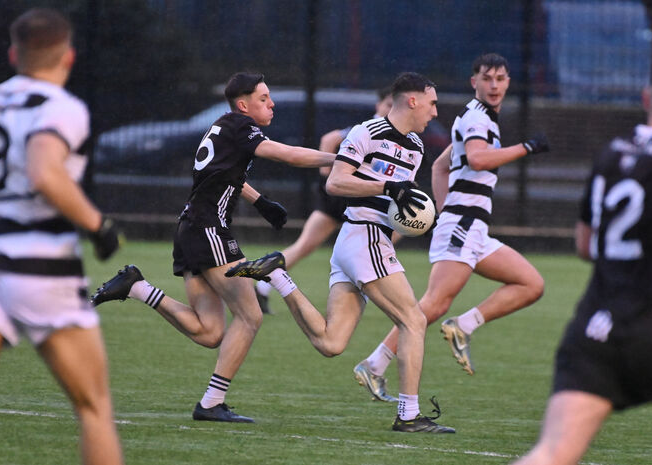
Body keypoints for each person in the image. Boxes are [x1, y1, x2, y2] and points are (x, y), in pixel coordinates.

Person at [512, 51, 652, 465]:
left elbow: (586, 245)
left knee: (551, 452)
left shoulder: (611, 156)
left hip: (594, 330)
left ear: (645, 97)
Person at [91, 72, 335, 423]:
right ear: (243, 104)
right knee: (250, 317)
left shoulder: (223, 127)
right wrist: (339, 160)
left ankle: (138, 288)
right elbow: (289, 155)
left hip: (192, 229)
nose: (272, 103)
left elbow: (223, 175)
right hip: (209, 230)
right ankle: (210, 404)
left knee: (210, 332)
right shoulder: (241, 126)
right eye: (264, 98)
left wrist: (260, 201)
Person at [228, 72, 455, 433]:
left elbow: (396, 205)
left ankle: (278, 277)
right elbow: (334, 182)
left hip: (365, 241)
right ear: (412, 100)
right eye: (432, 103)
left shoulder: (415, 146)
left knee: (332, 343)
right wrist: (387, 186)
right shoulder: (366, 132)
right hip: (362, 236)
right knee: (414, 320)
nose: (435, 111)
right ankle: (409, 415)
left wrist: (418, 218)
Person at [0, 8, 124, 465]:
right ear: (68, 57)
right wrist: (99, 226)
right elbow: (45, 171)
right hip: (41, 265)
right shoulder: (61, 108)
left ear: (14, 54)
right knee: (94, 408)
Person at [352, 53, 549, 402]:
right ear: (474, 82)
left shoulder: (479, 118)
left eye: (500, 79)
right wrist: (526, 148)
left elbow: (441, 167)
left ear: (507, 83)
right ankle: (374, 364)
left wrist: (443, 214)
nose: (494, 85)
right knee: (432, 305)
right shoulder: (477, 119)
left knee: (531, 284)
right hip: (464, 226)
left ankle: (465, 325)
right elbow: (476, 158)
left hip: (471, 228)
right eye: (486, 78)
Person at [253, 87, 395, 313]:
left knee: (306, 246)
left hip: (356, 197)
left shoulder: (392, 133)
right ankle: (371, 290)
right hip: (350, 197)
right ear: (378, 106)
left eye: (395, 106)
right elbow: (329, 139)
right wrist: (328, 179)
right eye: (388, 104)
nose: (391, 110)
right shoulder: (374, 128)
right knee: (382, 240)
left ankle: (262, 284)